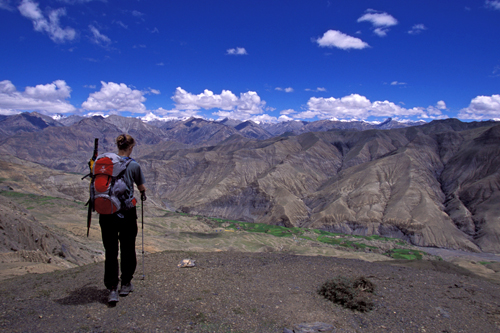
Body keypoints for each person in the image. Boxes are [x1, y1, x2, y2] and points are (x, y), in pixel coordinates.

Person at [99, 134, 147, 304]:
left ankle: (112, 289)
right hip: (126, 213)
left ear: (118, 146)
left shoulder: (104, 164)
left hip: (106, 214)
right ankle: (125, 283)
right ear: (131, 147)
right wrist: (142, 191)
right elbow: (141, 187)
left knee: (110, 251)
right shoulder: (133, 165)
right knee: (127, 248)